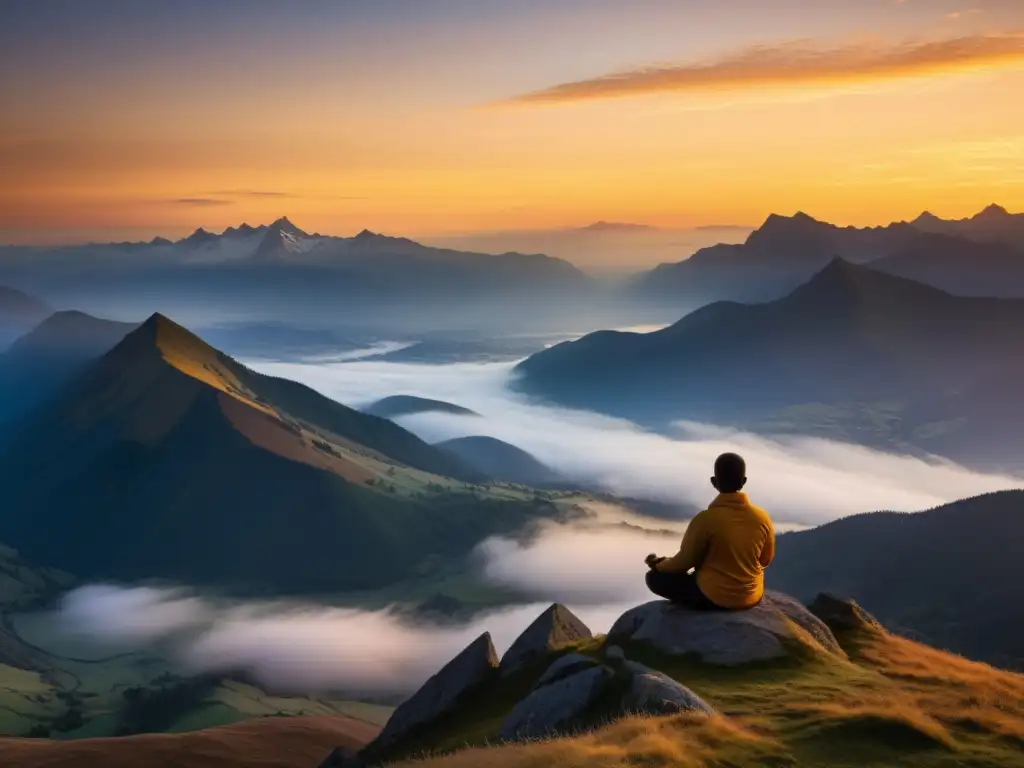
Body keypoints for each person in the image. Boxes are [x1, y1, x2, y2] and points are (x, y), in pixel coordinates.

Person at [644, 452, 774, 611]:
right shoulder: (762, 517)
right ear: (744, 481)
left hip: (713, 596)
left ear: (714, 482)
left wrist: (659, 565)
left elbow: (683, 563)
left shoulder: (705, 520)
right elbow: (765, 560)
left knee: (653, 578)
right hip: (751, 595)